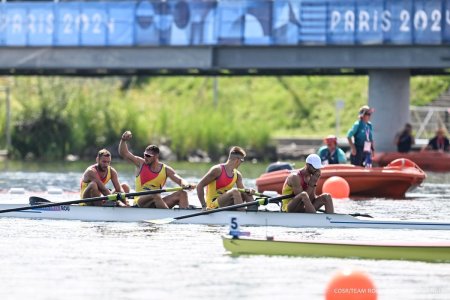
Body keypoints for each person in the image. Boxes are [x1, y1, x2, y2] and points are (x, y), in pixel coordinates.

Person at [118, 131, 192, 208]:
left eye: (148, 155)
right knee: (155, 194)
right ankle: (167, 215)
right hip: (140, 202)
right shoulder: (140, 163)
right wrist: (123, 140)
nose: (145, 157)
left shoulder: (166, 169)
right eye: (144, 155)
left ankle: (184, 215)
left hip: (157, 201)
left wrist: (186, 185)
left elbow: (180, 180)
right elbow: (124, 153)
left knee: (182, 193)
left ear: (156, 156)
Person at [196, 146, 255, 211]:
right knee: (235, 191)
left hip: (225, 203)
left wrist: (249, 191)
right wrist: (203, 206)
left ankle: (253, 213)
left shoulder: (237, 175)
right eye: (242, 161)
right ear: (237, 160)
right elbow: (199, 186)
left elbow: (243, 190)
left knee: (247, 193)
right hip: (211, 205)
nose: (241, 163)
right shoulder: (217, 170)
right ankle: (242, 216)